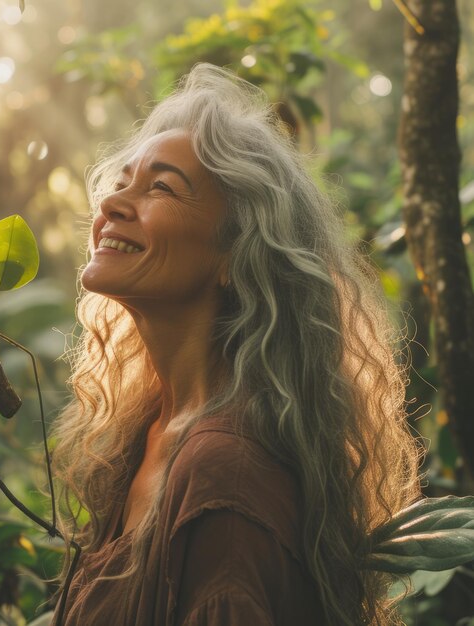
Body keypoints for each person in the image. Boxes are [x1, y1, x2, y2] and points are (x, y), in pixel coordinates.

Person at [50, 63, 421, 626]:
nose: (113, 205)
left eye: (161, 187)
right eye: (121, 181)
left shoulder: (225, 473)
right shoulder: (149, 430)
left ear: (234, 255)